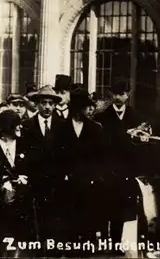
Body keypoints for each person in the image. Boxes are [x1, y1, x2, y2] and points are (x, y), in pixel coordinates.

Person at [94, 79, 145, 249]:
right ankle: (102, 241)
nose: (118, 97)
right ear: (110, 94)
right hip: (107, 169)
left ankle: (116, 242)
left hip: (126, 171)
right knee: (104, 204)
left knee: (122, 207)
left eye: (122, 94)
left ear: (128, 95)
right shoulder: (101, 117)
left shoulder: (136, 117)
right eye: (115, 94)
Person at [21, 85, 68, 255]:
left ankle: (54, 250)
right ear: (37, 105)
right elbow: (24, 153)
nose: (47, 107)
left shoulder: (63, 126)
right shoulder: (27, 126)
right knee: (38, 218)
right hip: (36, 182)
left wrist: (64, 175)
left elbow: (67, 154)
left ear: (55, 105)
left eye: (50, 103)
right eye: (43, 103)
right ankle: (40, 251)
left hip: (57, 182)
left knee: (56, 218)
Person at [60, 88, 108, 251]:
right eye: (84, 107)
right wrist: (63, 175)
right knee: (70, 220)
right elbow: (55, 155)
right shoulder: (61, 128)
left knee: (88, 221)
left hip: (89, 182)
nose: (88, 110)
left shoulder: (96, 128)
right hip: (68, 182)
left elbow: (101, 157)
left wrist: (96, 176)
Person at [0, 110, 37, 257]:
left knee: (22, 240)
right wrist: (3, 182)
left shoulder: (25, 143)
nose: (20, 127)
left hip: (23, 202)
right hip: (0, 203)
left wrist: (25, 177)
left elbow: (35, 166)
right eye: (16, 125)